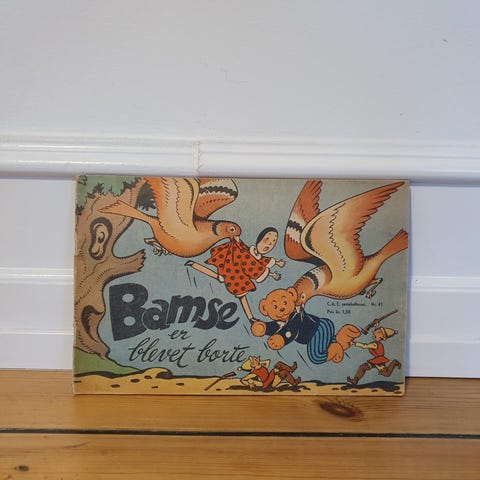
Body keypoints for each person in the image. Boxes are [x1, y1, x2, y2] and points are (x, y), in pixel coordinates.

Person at [186, 227, 284, 322]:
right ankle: (194, 265)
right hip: (232, 268)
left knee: (236, 291)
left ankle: (251, 319)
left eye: (273, 242)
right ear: (259, 240)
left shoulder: (258, 257)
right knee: (222, 279)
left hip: (238, 276)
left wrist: (275, 266)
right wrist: (235, 235)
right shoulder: (245, 249)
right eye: (266, 239)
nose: (269, 244)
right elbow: (254, 263)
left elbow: (261, 264)